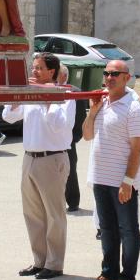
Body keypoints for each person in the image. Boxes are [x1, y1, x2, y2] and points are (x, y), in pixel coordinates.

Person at [3, 53, 75, 280]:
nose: (33, 72)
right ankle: (39, 260)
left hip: (52, 159)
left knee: (54, 214)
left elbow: (59, 125)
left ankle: (55, 264)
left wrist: (48, 99)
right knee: (33, 213)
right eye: (33, 68)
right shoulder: (30, 92)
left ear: (51, 72)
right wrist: (16, 100)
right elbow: (9, 117)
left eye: (38, 69)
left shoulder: (66, 95)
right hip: (30, 158)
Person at [82, 60, 140, 280]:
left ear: (126, 77)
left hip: (121, 182)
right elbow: (87, 136)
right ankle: (108, 273)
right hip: (100, 178)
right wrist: (93, 111)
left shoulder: (134, 108)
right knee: (107, 229)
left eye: (115, 74)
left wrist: (128, 181)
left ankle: (127, 278)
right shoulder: (102, 102)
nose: (109, 78)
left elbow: (137, 148)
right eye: (106, 73)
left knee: (128, 230)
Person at [59, 64, 86, 212]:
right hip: (54, 139)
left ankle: (73, 201)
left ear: (63, 75)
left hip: (69, 140)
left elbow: (81, 117)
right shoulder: (51, 89)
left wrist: (74, 138)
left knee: (70, 171)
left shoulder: (75, 92)